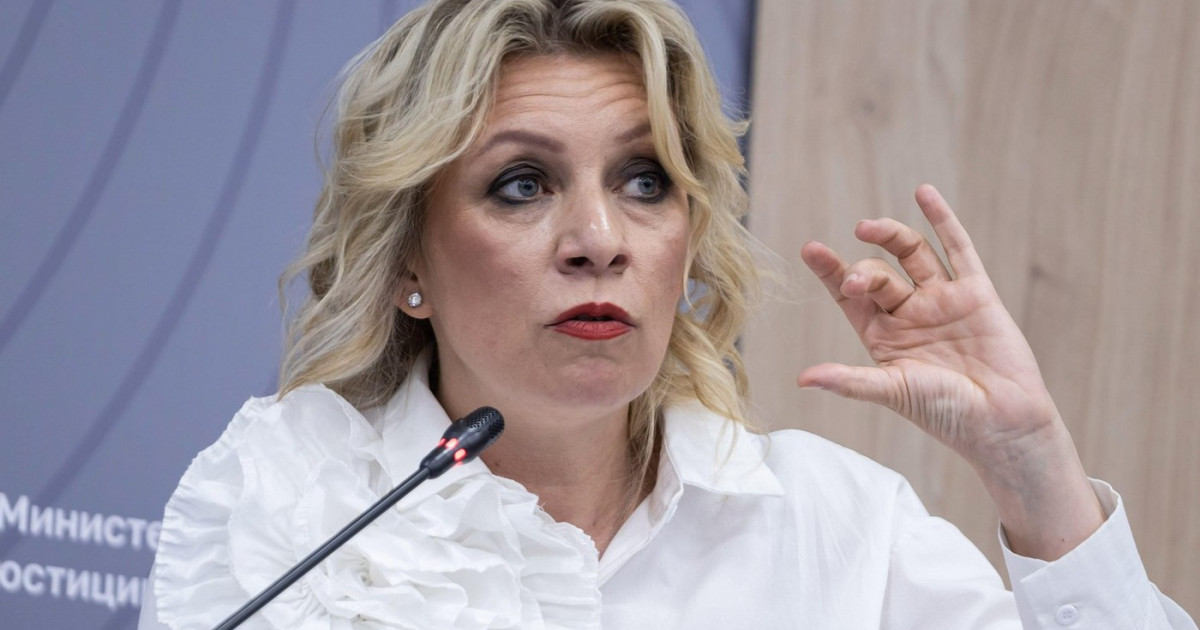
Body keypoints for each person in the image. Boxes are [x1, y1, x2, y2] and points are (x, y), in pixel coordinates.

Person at [139, 0, 1196, 628]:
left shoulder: (834, 525)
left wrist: (1031, 465)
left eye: (645, 182)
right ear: (407, 259)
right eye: (522, 185)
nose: (599, 238)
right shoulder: (287, 507)